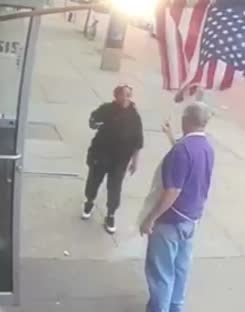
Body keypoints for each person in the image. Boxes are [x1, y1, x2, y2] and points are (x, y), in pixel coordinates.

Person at [140, 102, 214, 312]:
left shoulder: (182, 150)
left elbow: (172, 191)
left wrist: (150, 218)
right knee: (181, 269)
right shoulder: (206, 148)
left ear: (186, 120)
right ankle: (175, 308)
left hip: (170, 222)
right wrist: (171, 136)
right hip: (191, 219)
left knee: (161, 273)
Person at [82, 85, 143, 234]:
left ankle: (111, 214)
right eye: (123, 95)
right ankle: (89, 201)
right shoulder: (106, 109)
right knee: (94, 180)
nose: (126, 98)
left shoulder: (134, 116)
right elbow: (93, 121)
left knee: (115, 187)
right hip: (101, 154)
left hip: (120, 159)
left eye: (129, 95)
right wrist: (95, 123)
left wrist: (135, 161)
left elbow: (138, 141)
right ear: (116, 96)